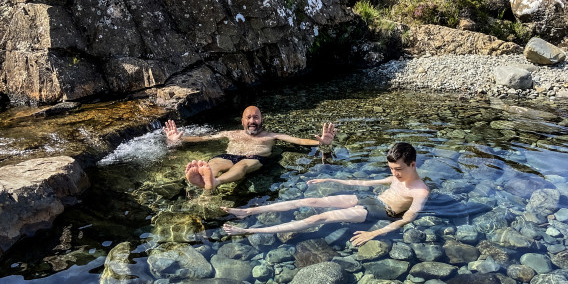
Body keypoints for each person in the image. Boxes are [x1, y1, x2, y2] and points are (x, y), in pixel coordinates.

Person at [221, 142, 429, 246]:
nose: (394, 173)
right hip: (371, 199)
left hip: (380, 212)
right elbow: (364, 182)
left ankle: (253, 232)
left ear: (413, 164)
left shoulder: (420, 191)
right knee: (311, 200)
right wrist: (330, 180)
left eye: (398, 169)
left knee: (320, 217)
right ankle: (247, 212)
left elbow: (407, 219)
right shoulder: (396, 176)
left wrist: (373, 233)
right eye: (391, 169)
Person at [164, 106, 337, 191]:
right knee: (214, 162)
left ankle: (215, 182)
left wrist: (321, 143)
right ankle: (205, 178)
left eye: (256, 117)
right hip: (229, 155)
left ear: (261, 120)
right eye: (249, 117)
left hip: (254, 158)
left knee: (242, 166)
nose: (252, 121)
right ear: (242, 121)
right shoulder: (231, 133)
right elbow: (203, 138)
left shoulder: (271, 135)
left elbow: (298, 140)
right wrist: (180, 139)